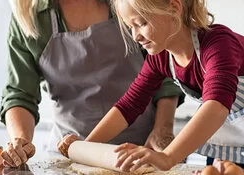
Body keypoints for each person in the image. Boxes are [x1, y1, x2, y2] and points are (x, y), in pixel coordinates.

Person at [58, 0, 244, 172]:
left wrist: (167, 156)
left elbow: (216, 106)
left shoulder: (219, 44)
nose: (135, 36)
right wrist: (86, 148)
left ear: (174, 8)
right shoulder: (161, 58)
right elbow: (130, 105)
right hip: (231, 142)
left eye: (141, 23)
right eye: (130, 27)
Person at [0, 0, 184, 167]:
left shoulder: (129, 5)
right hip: (70, 155)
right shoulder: (31, 18)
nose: (135, 36)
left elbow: (166, 70)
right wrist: (20, 141)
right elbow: (20, 94)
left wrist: (163, 130)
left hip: (141, 151)